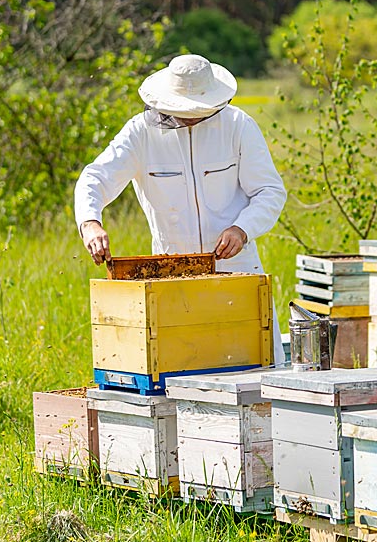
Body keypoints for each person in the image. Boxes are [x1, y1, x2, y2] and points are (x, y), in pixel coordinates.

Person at [74, 54, 287, 364]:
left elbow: (269, 191)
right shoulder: (140, 133)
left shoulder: (238, 126)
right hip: (171, 274)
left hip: (236, 268)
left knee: (253, 369)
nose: (191, 118)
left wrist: (242, 229)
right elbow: (95, 178)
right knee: (183, 370)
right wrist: (90, 222)